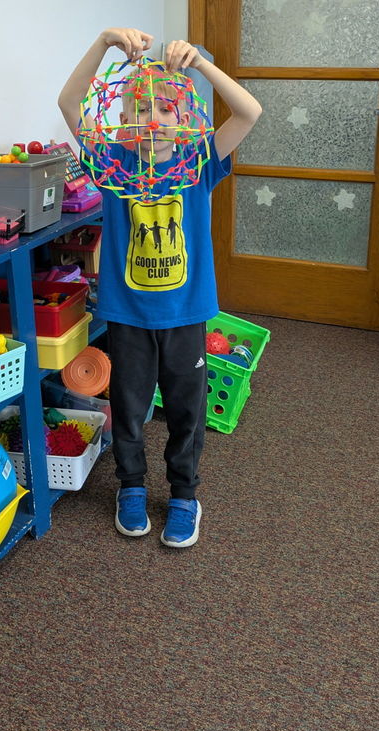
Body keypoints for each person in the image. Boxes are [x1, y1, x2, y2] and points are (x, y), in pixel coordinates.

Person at [58, 28, 261, 547]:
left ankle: (184, 495)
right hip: (127, 313)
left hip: (185, 312)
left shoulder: (198, 163)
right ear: (124, 120)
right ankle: (130, 486)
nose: (154, 120)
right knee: (127, 406)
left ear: (184, 116)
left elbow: (249, 112)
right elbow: (68, 102)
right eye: (141, 111)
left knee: (186, 409)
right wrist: (103, 42)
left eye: (166, 110)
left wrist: (200, 66)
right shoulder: (112, 166)